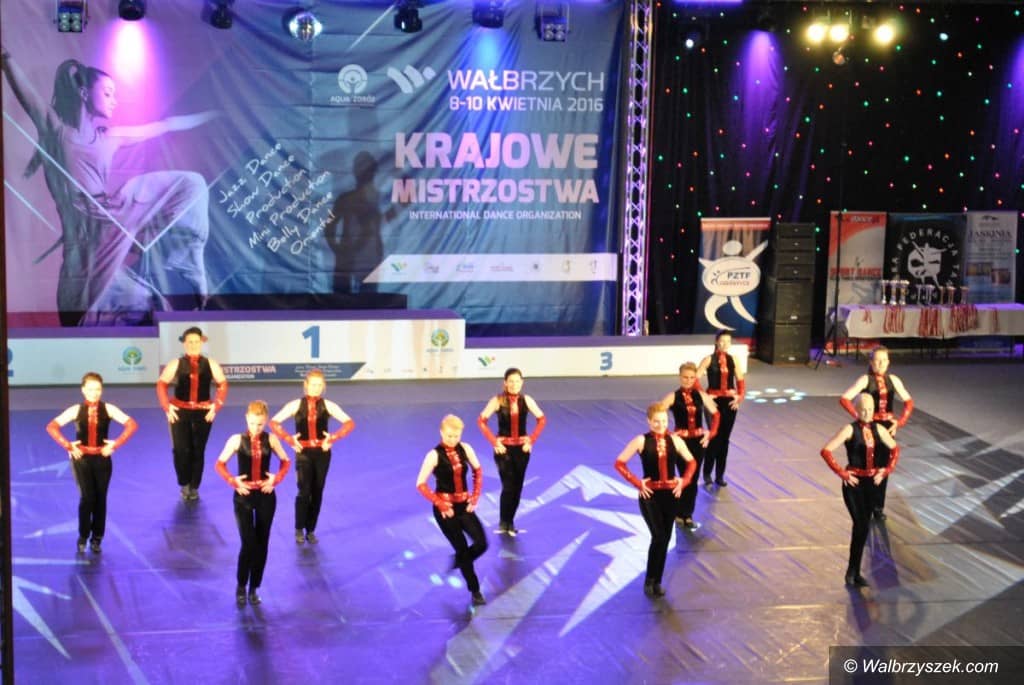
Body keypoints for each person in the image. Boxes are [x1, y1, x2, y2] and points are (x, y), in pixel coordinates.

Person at [1, 50, 216, 325]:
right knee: (94, 310)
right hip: (83, 235)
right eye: (107, 93)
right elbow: (26, 94)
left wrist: (210, 116)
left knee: (192, 184)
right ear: (84, 93)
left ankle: (182, 258)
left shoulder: (109, 137)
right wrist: (6, 58)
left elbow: (162, 126)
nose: (114, 100)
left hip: (111, 216)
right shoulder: (57, 131)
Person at [46, 372, 138, 553]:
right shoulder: (75, 410)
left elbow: (131, 424)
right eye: (90, 389)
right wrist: (68, 446)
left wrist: (115, 445)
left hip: (102, 459)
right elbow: (52, 426)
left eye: (97, 389)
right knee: (87, 498)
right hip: (81, 459)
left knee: (100, 499)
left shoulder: (109, 409)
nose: (94, 393)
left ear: (101, 390)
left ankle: (97, 538)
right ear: (83, 390)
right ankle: (83, 536)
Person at [614, 403, 697, 598]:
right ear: (649, 421)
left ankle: (657, 580)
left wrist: (684, 481)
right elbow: (619, 463)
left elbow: (692, 461)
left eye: (664, 421)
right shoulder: (641, 440)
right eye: (657, 421)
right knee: (658, 536)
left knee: (665, 538)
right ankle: (649, 579)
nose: (661, 425)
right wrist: (637, 483)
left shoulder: (675, 440)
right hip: (650, 496)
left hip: (671, 495)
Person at [214, 401, 292, 606]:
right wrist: (233, 481)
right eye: (252, 423)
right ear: (246, 419)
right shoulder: (236, 440)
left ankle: (254, 587)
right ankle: (241, 585)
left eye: (260, 424)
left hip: (266, 496)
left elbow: (286, 461)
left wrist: (275, 479)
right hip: (244, 497)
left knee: (262, 543)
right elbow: (220, 464)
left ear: (265, 421)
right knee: (248, 543)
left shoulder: (271, 439)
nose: (256, 428)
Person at [820, 393, 900, 588]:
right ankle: (852, 571)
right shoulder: (849, 429)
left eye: (870, 409)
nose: (867, 413)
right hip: (854, 485)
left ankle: (853, 572)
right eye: (863, 409)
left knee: (863, 527)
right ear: (856, 410)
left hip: (872, 484)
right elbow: (826, 450)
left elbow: (895, 449)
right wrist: (842, 473)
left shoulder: (879, 429)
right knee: (861, 524)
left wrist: (886, 470)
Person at [269, 370, 356, 545]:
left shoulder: (329, 405)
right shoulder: (295, 405)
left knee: (317, 492)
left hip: (322, 454)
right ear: (306, 385)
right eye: (313, 385)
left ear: (323, 386)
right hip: (303, 454)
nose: (316, 388)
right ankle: (298, 528)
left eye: (319, 385)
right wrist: (289, 439)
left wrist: (333, 438)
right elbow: (274, 422)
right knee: (304, 491)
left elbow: (349, 423)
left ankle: (311, 530)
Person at [416, 415, 489, 607]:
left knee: (481, 543)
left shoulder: (466, 448)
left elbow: (478, 470)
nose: (453, 439)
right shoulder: (433, 455)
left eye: (456, 436)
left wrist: (475, 497)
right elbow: (420, 484)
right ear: (442, 433)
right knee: (462, 548)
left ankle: (460, 559)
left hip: (464, 505)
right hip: (445, 509)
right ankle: (475, 590)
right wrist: (440, 504)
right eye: (449, 436)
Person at [839, 345, 913, 521]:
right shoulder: (865, 380)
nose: (881, 364)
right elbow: (845, 398)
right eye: (877, 360)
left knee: (883, 467)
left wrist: (900, 421)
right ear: (871, 362)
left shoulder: (894, 380)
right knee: (866, 464)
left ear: (888, 362)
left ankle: (878, 506)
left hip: (887, 427)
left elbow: (909, 402)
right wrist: (859, 416)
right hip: (869, 425)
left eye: (884, 360)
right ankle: (864, 502)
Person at [156, 326, 228, 501]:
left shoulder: (211, 363)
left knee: (198, 450)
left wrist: (216, 406)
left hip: (203, 413)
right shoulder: (176, 364)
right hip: (179, 413)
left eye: (196, 341)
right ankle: (184, 483)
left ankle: (194, 486)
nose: (193, 345)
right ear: (184, 343)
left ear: (201, 343)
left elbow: (223, 384)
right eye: (190, 342)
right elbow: (161, 384)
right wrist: (167, 406)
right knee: (181, 450)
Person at [477, 367, 546, 536]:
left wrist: (531, 440)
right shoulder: (497, 400)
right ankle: (503, 521)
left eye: (517, 381)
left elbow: (542, 419)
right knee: (508, 486)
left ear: (522, 383)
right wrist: (494, 441)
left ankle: (510, 522)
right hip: (503, 450)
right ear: (505, 383)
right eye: (511, 381)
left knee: (518, 487)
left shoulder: (526, 400)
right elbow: (481, 421)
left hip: (522, 449)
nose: (514, 384)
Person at [660, 362, 719, 531]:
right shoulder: (672, 396)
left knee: (693, 479)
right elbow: (658, 414)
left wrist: (711, 433)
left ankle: (687, 514)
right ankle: (679, 512)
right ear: (680, 377)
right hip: (681, 443)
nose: (688, 380)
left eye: (692, 377)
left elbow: (716, 414)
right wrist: (668, 434)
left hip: (698, 442)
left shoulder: (701, 395)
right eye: (685, 377)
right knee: (683, 477)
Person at [696, 330, 745, 488]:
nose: (725, 344)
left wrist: (739, 397)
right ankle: (707, 473)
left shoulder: (734, 360)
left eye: (728, 341)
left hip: (729, 403)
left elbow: (740, 381)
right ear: (716, 342)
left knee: (725, 440)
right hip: (713, 403)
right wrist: (705, 396)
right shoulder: (708, 359)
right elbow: (694, 380)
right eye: (722, 341)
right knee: (714, 437)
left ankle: (719, 475)